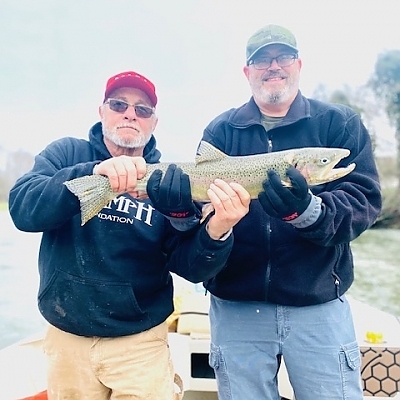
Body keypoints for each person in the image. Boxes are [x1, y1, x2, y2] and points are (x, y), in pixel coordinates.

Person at [8, 70, 250, 399]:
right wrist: (92, 173)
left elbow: (192, 268)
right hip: (67, 341)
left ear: (154, 122)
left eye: (143, 109)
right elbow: (23, 209)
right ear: (102, 111)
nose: (130, 114)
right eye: (119, 104)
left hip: (140, 345)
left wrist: (218, 227)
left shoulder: (171, 180)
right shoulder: (67, 154)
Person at [198, 24, 382, 400]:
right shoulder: (221, 129)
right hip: (236, 307)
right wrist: (185, 210)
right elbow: (195, 217)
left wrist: (308, 210)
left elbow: (364, 202)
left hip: (317, 305)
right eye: (261, 60)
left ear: (299, 64)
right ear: (247, 72)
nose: (273, 66)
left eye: (282, 57)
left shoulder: (339, 124)